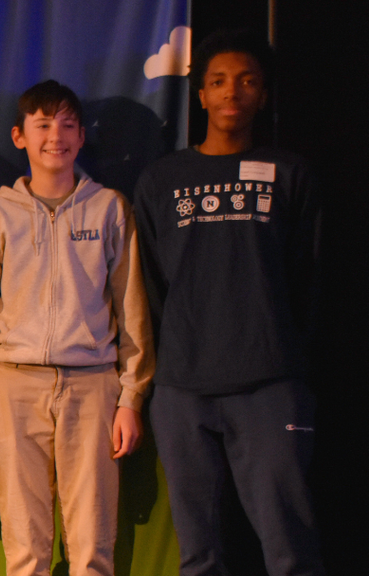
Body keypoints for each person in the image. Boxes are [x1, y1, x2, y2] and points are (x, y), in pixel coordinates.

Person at [134, 29, 325, 576]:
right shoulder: (162, 180)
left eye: (246, 81)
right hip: (183, 388)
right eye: (218, 81)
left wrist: (286, 358)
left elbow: (308, 278)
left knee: (290, 545)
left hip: (269, 385)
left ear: (262, 94)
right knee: (199, 551)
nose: (231, 92)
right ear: (200, 95)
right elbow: (149, 284)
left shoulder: (290, 173)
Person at [0, 80, 154, 576]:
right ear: (20, 136)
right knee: (25, 551)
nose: (55, 136)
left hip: (93, 388)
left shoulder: (109, 209)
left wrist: (130, 399)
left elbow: (132, 313)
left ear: (82, 136)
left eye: (67, 125)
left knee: (92, 549)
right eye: (43, 125)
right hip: (13, 387)